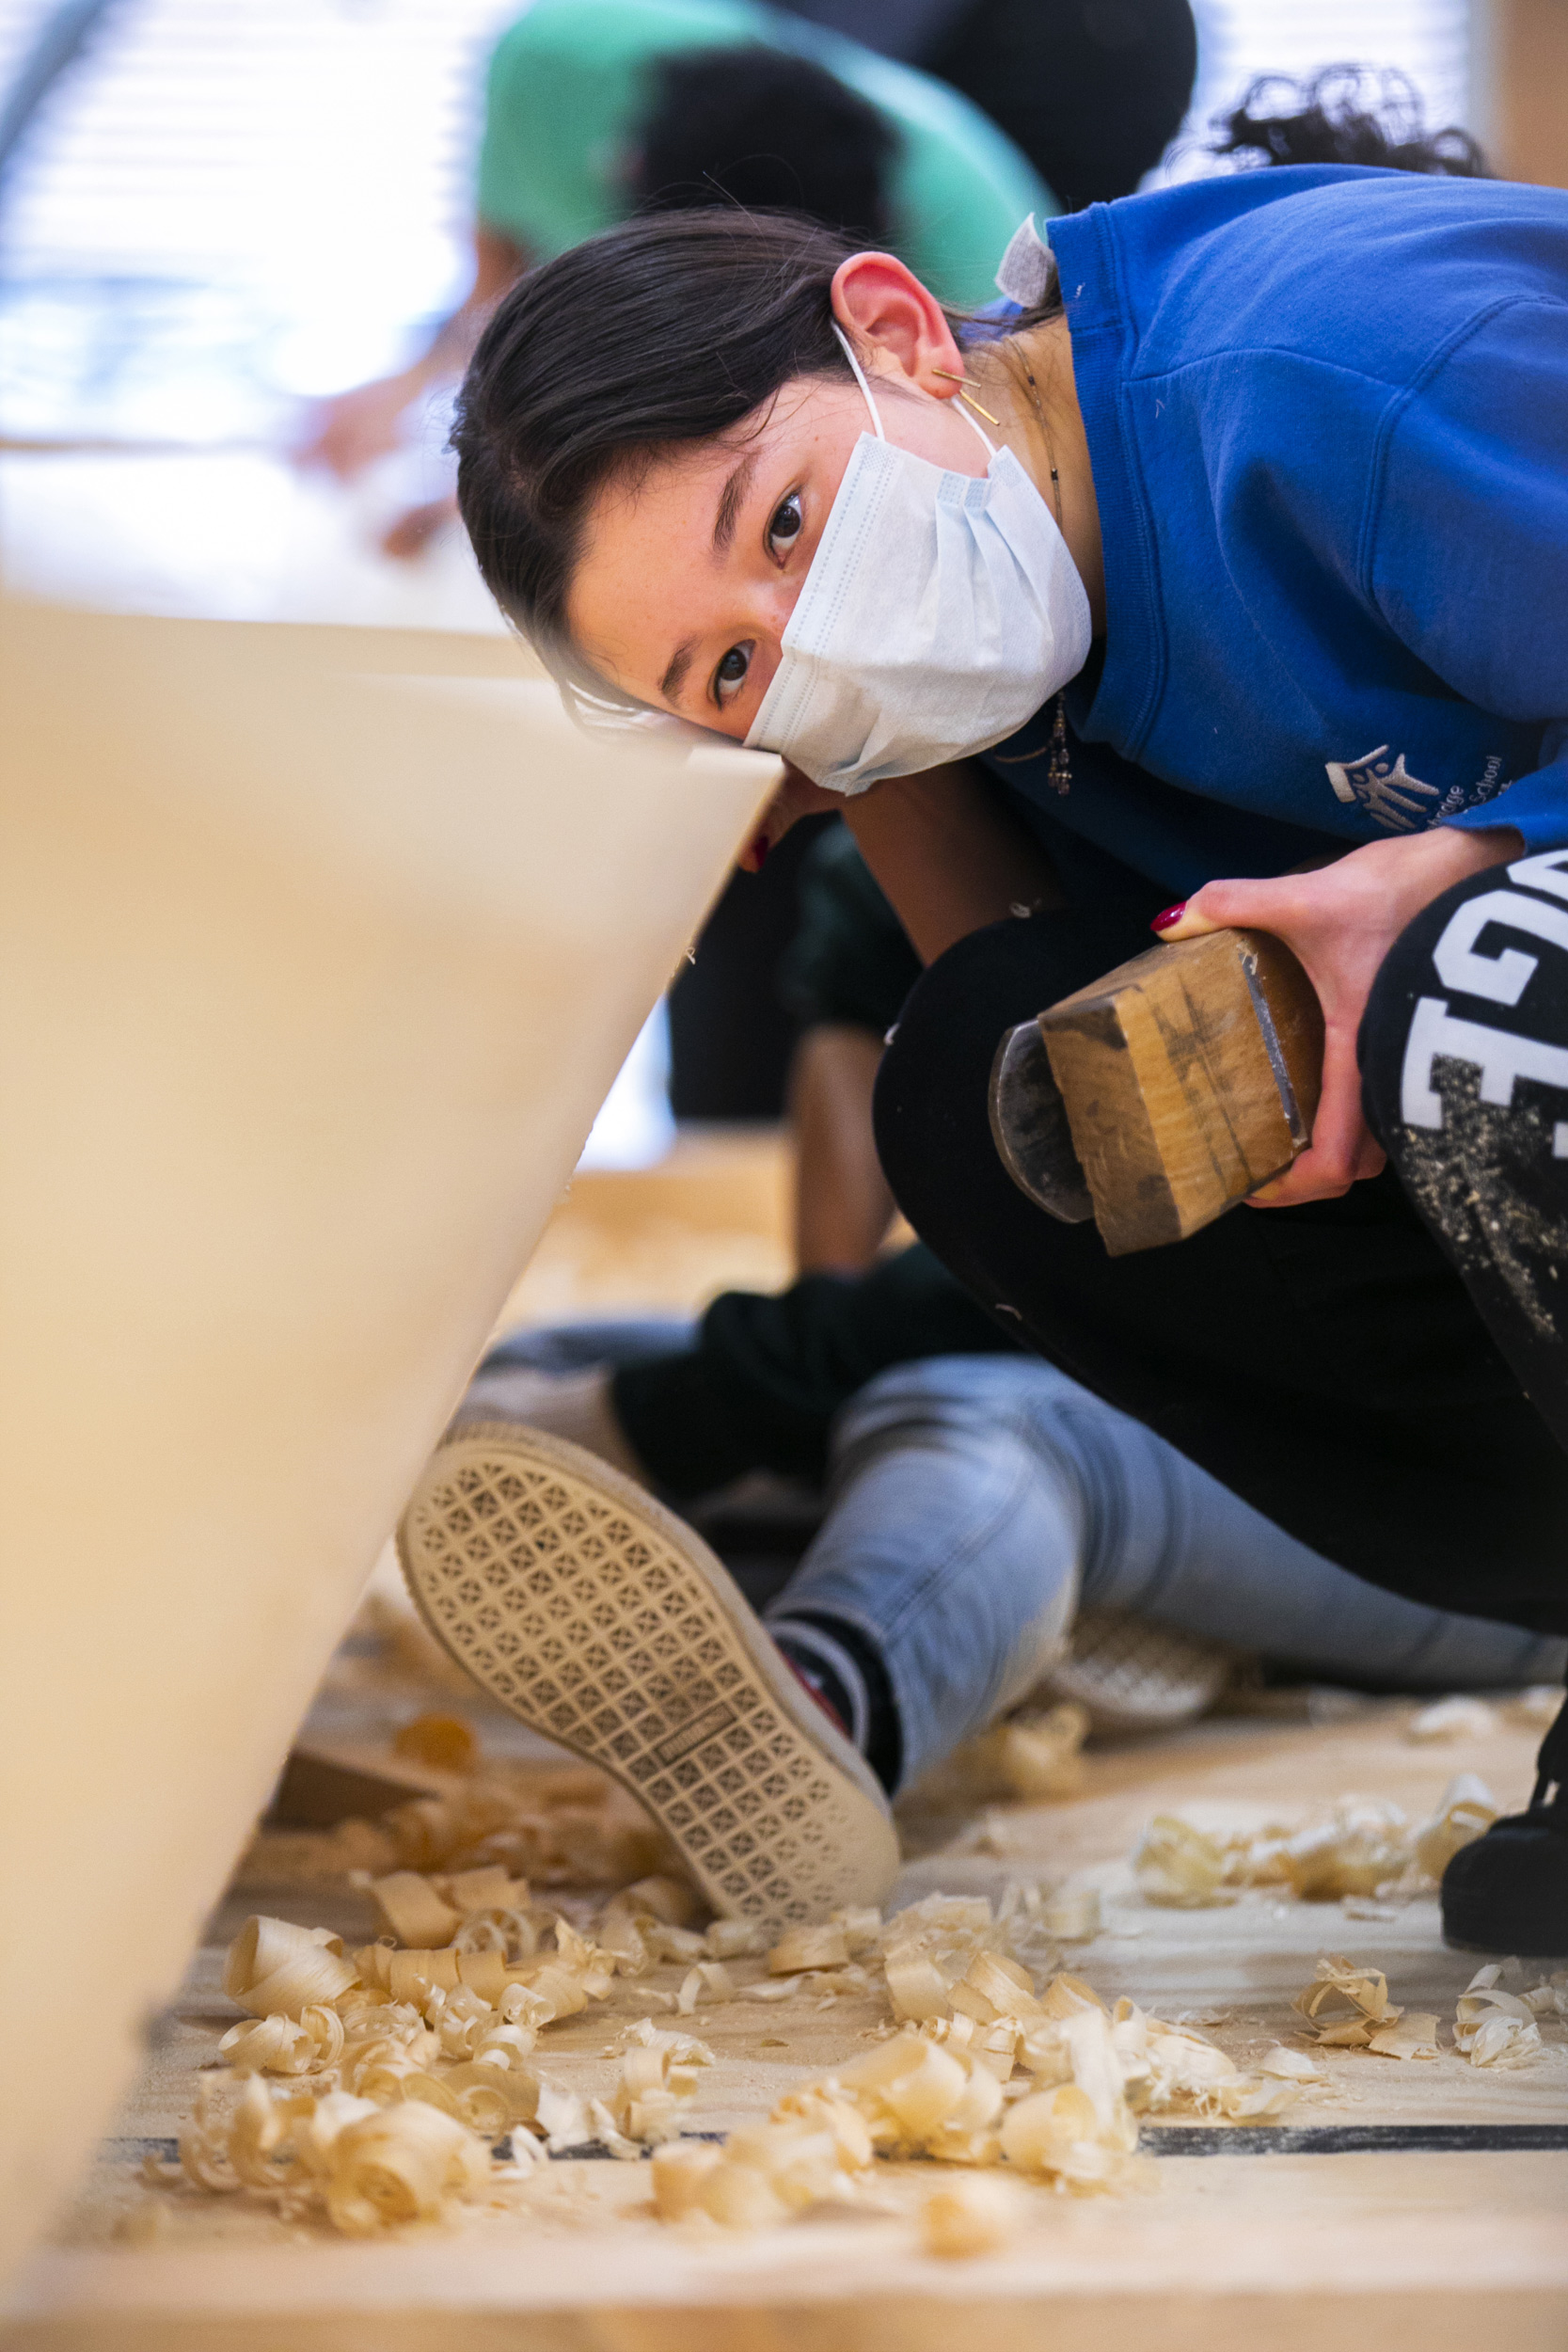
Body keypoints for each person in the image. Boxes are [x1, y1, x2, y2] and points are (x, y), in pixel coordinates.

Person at [430, 139, 1568, 1947]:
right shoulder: (1012, 667)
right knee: (985, 1088)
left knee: (1476, 977)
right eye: (730, 672)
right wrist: (870, 763)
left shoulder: (1334, 373)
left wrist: (1458, 862)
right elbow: (1099, 1106)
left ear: (896, 330)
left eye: (784, 525)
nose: (799, 650)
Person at [297, 0, 1049, 544]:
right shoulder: (559, 57)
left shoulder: (980, 250)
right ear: (622, 172)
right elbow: (497, 275)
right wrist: (423, 395)